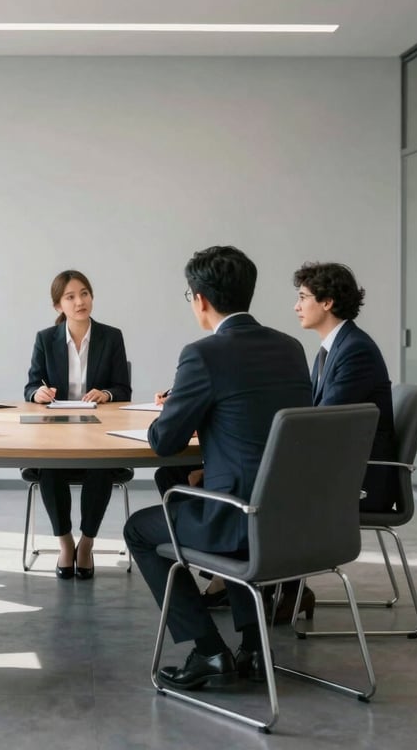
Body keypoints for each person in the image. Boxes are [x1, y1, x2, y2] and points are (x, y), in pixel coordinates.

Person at [124, 246, 311, 690]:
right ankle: (251, 645)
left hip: (238, 520)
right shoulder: (291, 347)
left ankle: (208, 650)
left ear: (200, 299)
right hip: (294, 517)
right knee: (183, 488)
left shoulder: (203, 354)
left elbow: (164, 443)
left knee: (139, 530)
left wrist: (178, 409)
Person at [24, 269, 131, 580]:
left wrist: (107, 392)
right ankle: (65, 543)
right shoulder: (46, 339)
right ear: (59, 306)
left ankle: (86, 543)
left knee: (101, 466)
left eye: (84, 293)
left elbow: (123, 389)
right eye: (70, 296)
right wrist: (38, 393)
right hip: (56, 430)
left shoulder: (111, 336)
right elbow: (30, 386)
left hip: (96, 430)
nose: (80, 301)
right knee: (48, 467)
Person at [293, 261, 398, 512]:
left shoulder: (355, 351)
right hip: (343, 468)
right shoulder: (335, 348)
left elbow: (323, 421)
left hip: (360, 481)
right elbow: (310, 411)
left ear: (327, 302)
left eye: (303, 297)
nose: (296, 306)